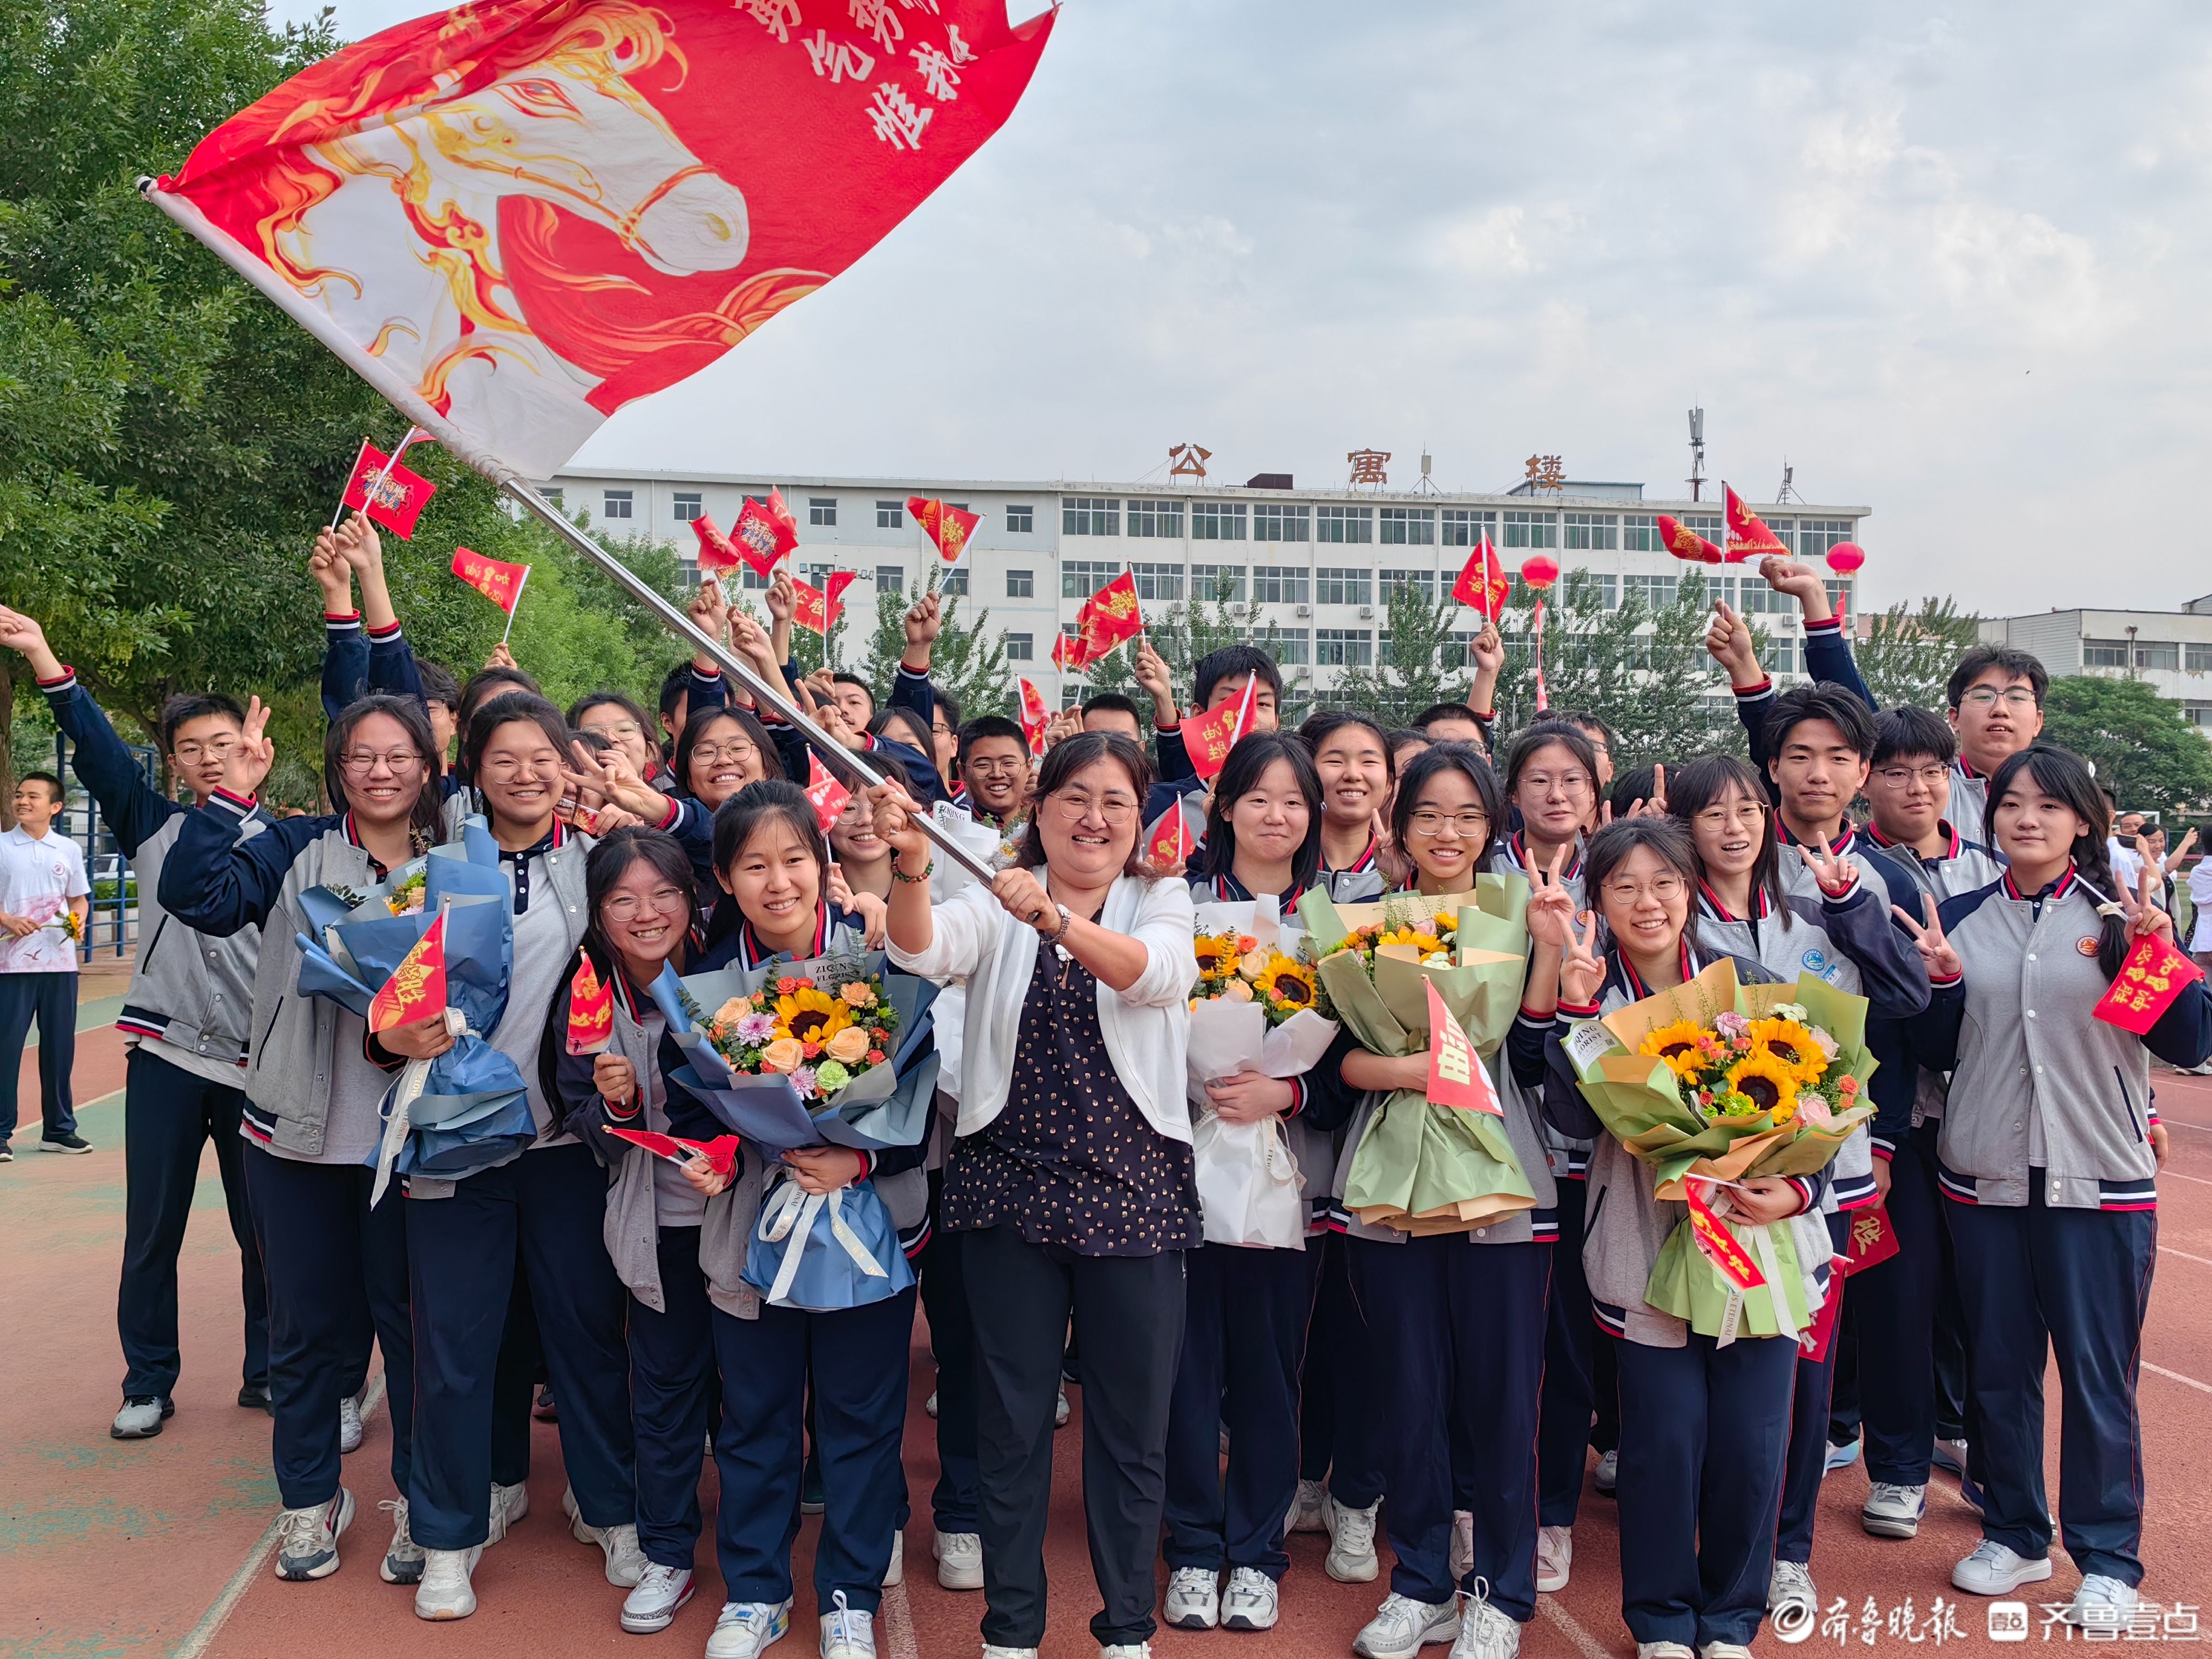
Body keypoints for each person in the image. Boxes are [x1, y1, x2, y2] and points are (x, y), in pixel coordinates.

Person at [880, 731, 1200, 1659]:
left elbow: (1156, 975)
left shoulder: (1162, 898)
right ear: (1039, 808)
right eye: (1073, 797)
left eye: (1114, 801)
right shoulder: (993, 892)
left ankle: (1126, 1630)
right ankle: (1011, 1632)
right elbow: (925, 949)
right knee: (1010, 1425)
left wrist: (1054, 920)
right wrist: (909, 870)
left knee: (1131, 1432)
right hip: (1006, 1193)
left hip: (1134, 1192)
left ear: (1137, 819)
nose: (1092, 817)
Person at [1898, 745, 2206, 1624]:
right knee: (1998, 1367)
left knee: (2098, 1372)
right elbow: (1932, 1055)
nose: (2025, 818)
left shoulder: (2121, 921)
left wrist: (2162, 954)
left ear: (2082, 821)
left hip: (2101, 1182)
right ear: (1989, 818)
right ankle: (2016, 1533)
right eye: (2009, 804)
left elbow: (2187, 1042)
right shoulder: (1955, 917)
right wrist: (1941, 988)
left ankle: (2108, 1556)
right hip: (1984, 1177)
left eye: (2047, 806)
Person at [1519, 818, 1826, 1659]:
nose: (1646, 901)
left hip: (1755, 1253)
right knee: (1662, 1446)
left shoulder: (1752, 986)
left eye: (1663, 882)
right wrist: (1577, 1008)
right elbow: (1573, 1124)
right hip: (1646, 1249)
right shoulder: (1594, 996)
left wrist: (1795, 1188)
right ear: (1598, 900)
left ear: (1691, 891)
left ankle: (1730, 1621)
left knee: (1751, 1447)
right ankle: (1659, 1621)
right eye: (1624, 886)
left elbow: (1823, 1113)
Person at [160, 693, 436, 1587]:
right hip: (297, 1136)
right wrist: (232, 798)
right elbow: (195, 894)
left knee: (416, 1335)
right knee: (306, 1333)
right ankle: (310, 1498)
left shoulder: (459, 859)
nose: (381, 770)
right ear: (336, 766)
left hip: (416, 1143)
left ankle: (420, 1507)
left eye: (399, 754)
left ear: (429, 767)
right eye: (362, 755)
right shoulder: (292, 848)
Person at [663, 780, 928, 1659]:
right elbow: (693, 1100)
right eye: (753, 865)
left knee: (860, 1417)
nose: (777, 881)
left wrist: (861, 1155)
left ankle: (848, 1593)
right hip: (753, 1237)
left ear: (821, 865)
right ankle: (756, 1591)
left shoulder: (881, 960)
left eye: (791, 860)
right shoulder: (707, 990)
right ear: (726, 880)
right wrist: (723, 1150)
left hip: (866, 1232)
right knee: (756, 1416)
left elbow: (926, 1092)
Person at [1667, 753, 1929, 1620]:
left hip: (1819, 1186)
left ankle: (1786, 1550)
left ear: (1769, 810)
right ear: (1687, 827)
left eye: (1747, 808)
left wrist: (1856, 910)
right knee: (1703, 1379)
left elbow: (1906, 994)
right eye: (1713, 814)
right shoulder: (1675, 919)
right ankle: (1698, 1552)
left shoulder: (1823, 899)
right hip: (1700, 1183)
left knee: (1800, 1381)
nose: (1734, 827)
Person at [0, 608, 272, 1431]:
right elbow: (105, 759)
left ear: (251, 748)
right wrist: (47, 659)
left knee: (265, 1237)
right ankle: (147, 1381)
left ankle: (270, 1371)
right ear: (176, 762)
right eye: (189, 748)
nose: (207, 758)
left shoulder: (294, 842)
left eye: (221, 743)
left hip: (259, 1066)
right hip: (166, 1058)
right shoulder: (154, 825)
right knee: (152, 1231)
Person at [1330, 744, 1555, 1659]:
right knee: (1408, 1390)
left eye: (1467, 815)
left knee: (1501, 1400)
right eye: (1429, 812)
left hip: (1505, 1185)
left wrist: (1549, 950)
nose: (1448, 831)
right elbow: (1335, 1063)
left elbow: (1536, 1059)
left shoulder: (1521, 915)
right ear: (1399, 820)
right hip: (1389, 1181)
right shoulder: (1360, 924)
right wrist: (1421, 1068)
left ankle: (1499, 1589)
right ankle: (1420, 1580)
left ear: (1493, 824)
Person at [1162, 733, 1330, 1635]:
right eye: (1258, 798)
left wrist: (1288, 1087)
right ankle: (1191, 1545)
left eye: (1294, 801)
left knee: (1269, 1374)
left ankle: (1257, 1549)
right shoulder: (1174, 912)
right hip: (1179, 1174)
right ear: (1223, 808)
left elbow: (1355, 1063)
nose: (1277, 815)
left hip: (1284, 1180)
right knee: (1186, 1371)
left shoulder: (1336, 924)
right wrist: (1198, 1083)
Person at [543, 828, 712, 1636]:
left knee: (756, 1403)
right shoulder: (585, 996)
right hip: (657, 1229)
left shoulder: (729, 973)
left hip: (749, 1226)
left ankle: (759, 1562)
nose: (647, 914)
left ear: (691, 895)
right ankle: (670, 1551)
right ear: (598, 911)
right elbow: (585, 1125)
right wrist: (615, 1103)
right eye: (623, 899)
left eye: (664, 894)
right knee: (668, 1396)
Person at [1853, 709, 2005, 1534]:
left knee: (1991, 1307)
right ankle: (1900, 1467)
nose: (1917, 787)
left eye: (1932, 772)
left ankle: (1991, 1454)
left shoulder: (1997, 866)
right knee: (1898, 1302)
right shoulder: (1858, 871)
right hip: (1905, 1126)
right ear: (1865, 781)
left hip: (1996, 1126)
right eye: (1897, 771)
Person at [0, 766, 91, 1158]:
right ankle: (1, 1132)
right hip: (11, 966)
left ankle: (58, 1129)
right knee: (6, 1049)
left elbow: (78, 898)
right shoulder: (2, 846)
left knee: (59, 1048)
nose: (22, 801)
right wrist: (6, 919)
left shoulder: (68, 850)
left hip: (60, 964)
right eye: (20, 794)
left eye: (33, 796)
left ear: (55, 806)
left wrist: (79, 918)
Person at [1299, 710, 1393, 899]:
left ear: (1389, 783)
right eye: (1335, 761)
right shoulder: (1281, 864)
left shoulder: (1406, 873)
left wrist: (1398, 883)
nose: (1353, 774)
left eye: (1369, 762)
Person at [950, 716, 1032, 833]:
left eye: (1008, 763)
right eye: (983, 765)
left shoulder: (1047, 830)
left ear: (1029, 767)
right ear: (963, 772)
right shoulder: (948, 830)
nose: (997, 774)